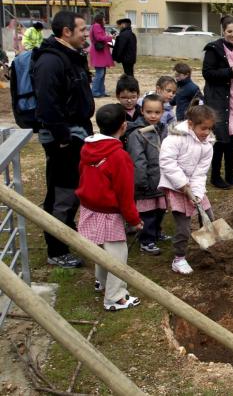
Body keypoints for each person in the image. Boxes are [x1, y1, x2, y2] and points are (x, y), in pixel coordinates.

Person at [32, 11, 95, 269]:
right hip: (63, 140)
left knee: (73, 189)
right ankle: (57, 249)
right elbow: (47, 104)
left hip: (76, 133)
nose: (86, 34)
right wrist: (63, 139)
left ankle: (66, 231)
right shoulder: (50, 61)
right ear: (66, 32)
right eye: (82, 30)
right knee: (62, 193)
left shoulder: (71, 56)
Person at [75, 104, 142, 311]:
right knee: (117, 255)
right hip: (108, 212)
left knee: (100, 248)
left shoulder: (87, 148)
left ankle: (102, 281)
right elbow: (125, 193)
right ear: (123, 126)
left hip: (88, 206)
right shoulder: (119, 156)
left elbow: (81, 173)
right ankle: (115, 297)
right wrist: (134, 219)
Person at [158, 105, 216, 275]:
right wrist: (183, 185)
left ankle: (209, 248)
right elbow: (167, 163)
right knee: (183, 227)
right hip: (175, 186)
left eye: (210, 128)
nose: (207, 132)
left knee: (208, 217)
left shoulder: (207, 145)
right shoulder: (175, 139)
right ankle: (179, 258)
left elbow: (200, 172)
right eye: (203, 128)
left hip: (194, 186)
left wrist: (196, 193)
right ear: (191, 124)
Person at [202, 16, 233, 189]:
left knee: (231, 140)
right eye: (230, 31)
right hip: (218, 100)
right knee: (220, 140)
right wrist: (229, 72)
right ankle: (215, 177)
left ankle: (230, 175)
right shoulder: (213, 49)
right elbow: (208, 73)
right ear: (223, 31)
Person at [126, 94, 169, 256]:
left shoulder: (163, 130)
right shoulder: (137, 134)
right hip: (146, 183)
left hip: (160, 180)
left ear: (162, 112)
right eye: (149, 112)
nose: (153, 116)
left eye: (157, 112)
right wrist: (141, 183)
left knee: (160, 210)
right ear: (142, 111)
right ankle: (146, 241)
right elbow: (138, 161)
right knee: (148, 214)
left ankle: (156, 233)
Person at [89, 13, 115, 98]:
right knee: (99, 73)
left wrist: (108, 37)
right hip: (99, 52)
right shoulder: (96, 26)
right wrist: (110, 37)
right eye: (103, 19)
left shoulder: (96, 26)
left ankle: (101, 91)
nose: (105, 21)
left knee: (102, 73)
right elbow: (99, 37)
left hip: (100, 51)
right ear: (100, 19)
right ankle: (95, 91)